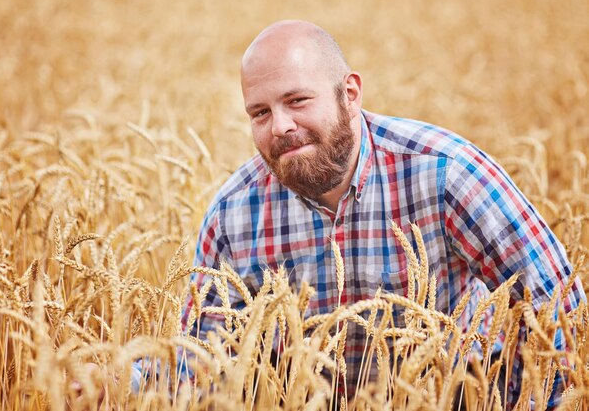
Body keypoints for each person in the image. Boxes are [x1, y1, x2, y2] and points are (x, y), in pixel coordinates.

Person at [133, 20, 586, 406]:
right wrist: (117, 383)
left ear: (349, 93)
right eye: (260, 112)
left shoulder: (447, 173)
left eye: (297, 101)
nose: (281, 127)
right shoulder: (232, 215)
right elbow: (198, 356)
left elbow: (559, 309)